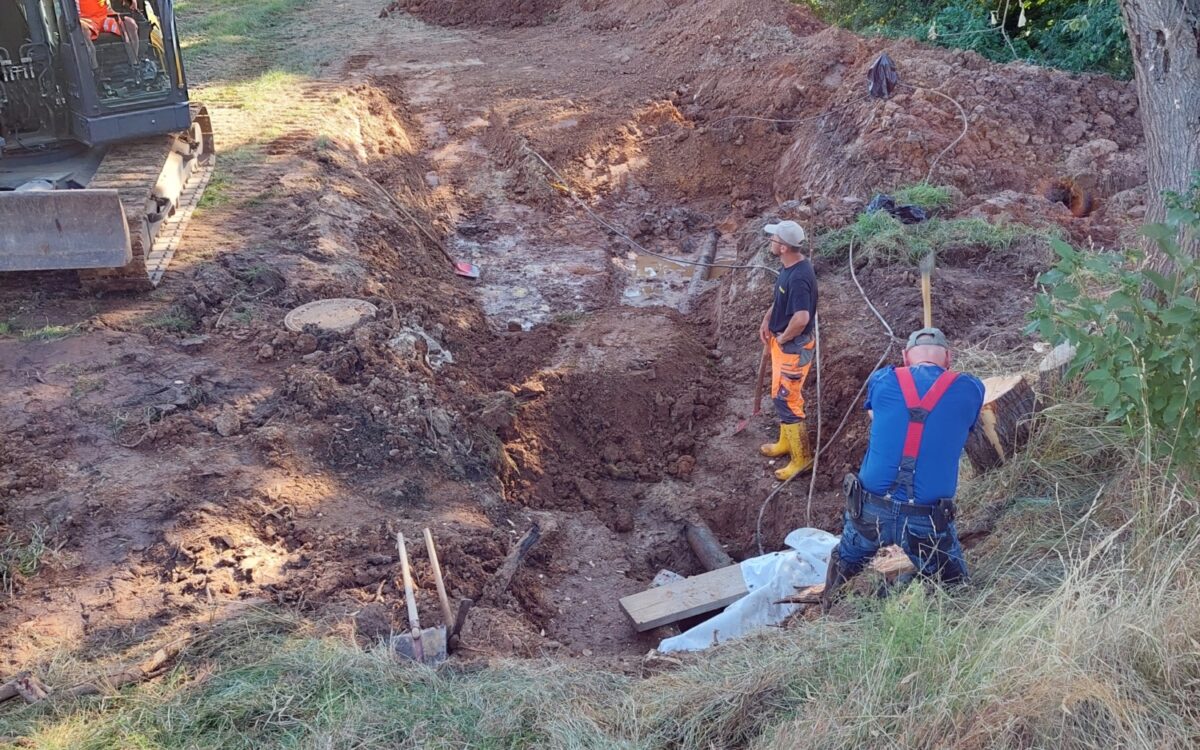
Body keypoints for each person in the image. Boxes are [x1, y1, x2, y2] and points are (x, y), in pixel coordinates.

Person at [821, 327, 985, 611]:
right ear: (948, 358)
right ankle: (955, 615)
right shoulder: (970, 389)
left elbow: (876, 415)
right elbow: (966, 424)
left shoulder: (884, 379)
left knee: (847, 557)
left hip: (869, 509)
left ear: (905, 357)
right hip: (926, 518)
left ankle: (829, 606)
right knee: (955, 584)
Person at [757, 220, 818, 482]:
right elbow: (781, 300)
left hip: (794, 348)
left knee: (787, 400)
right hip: (785, 345)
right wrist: (767, 319)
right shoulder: (788, 268)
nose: (770, 241)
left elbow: (802, 317)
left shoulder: (800, 277)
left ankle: (802, 459)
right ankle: (785, 443)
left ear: (783, 247)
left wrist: (783, 338)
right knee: (780, 396)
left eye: (774, 239)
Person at [77, 0, 140, 72]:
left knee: (130, 24)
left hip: (105, 17)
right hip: (85, 20)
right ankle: (95, 71)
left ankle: (133, 66)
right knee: (81, 28)